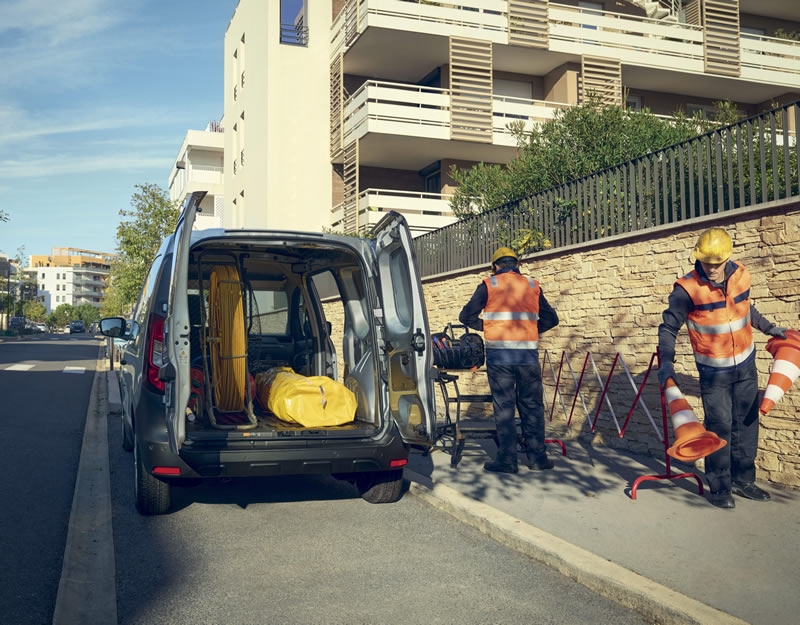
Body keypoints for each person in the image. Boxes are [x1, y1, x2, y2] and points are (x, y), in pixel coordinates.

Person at [658, 227, 786, 509]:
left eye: (717, 263)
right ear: (698, 258)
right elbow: (668, 328)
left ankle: (744, 480)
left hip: (746, 364)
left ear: (728, 257)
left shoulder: (741, 275)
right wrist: (666, 362)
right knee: (719, 427)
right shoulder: (686, 289)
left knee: (747, 424)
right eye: (706, 262)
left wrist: (769, 328)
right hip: (713, 371)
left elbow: (745, 309)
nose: (712, 268)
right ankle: (719, 488)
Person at [459, 247, 559, 473]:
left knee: (504, 408)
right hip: (527, 358)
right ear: (517, 265)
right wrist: (531, 330)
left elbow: (465, 316)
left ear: (495, 266)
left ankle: (507, 460)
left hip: (500, 359)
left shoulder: (489, 284)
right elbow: (552, 319)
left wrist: (487, 327)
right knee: (532, 406)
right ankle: (537, 459)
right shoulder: (532, 285)